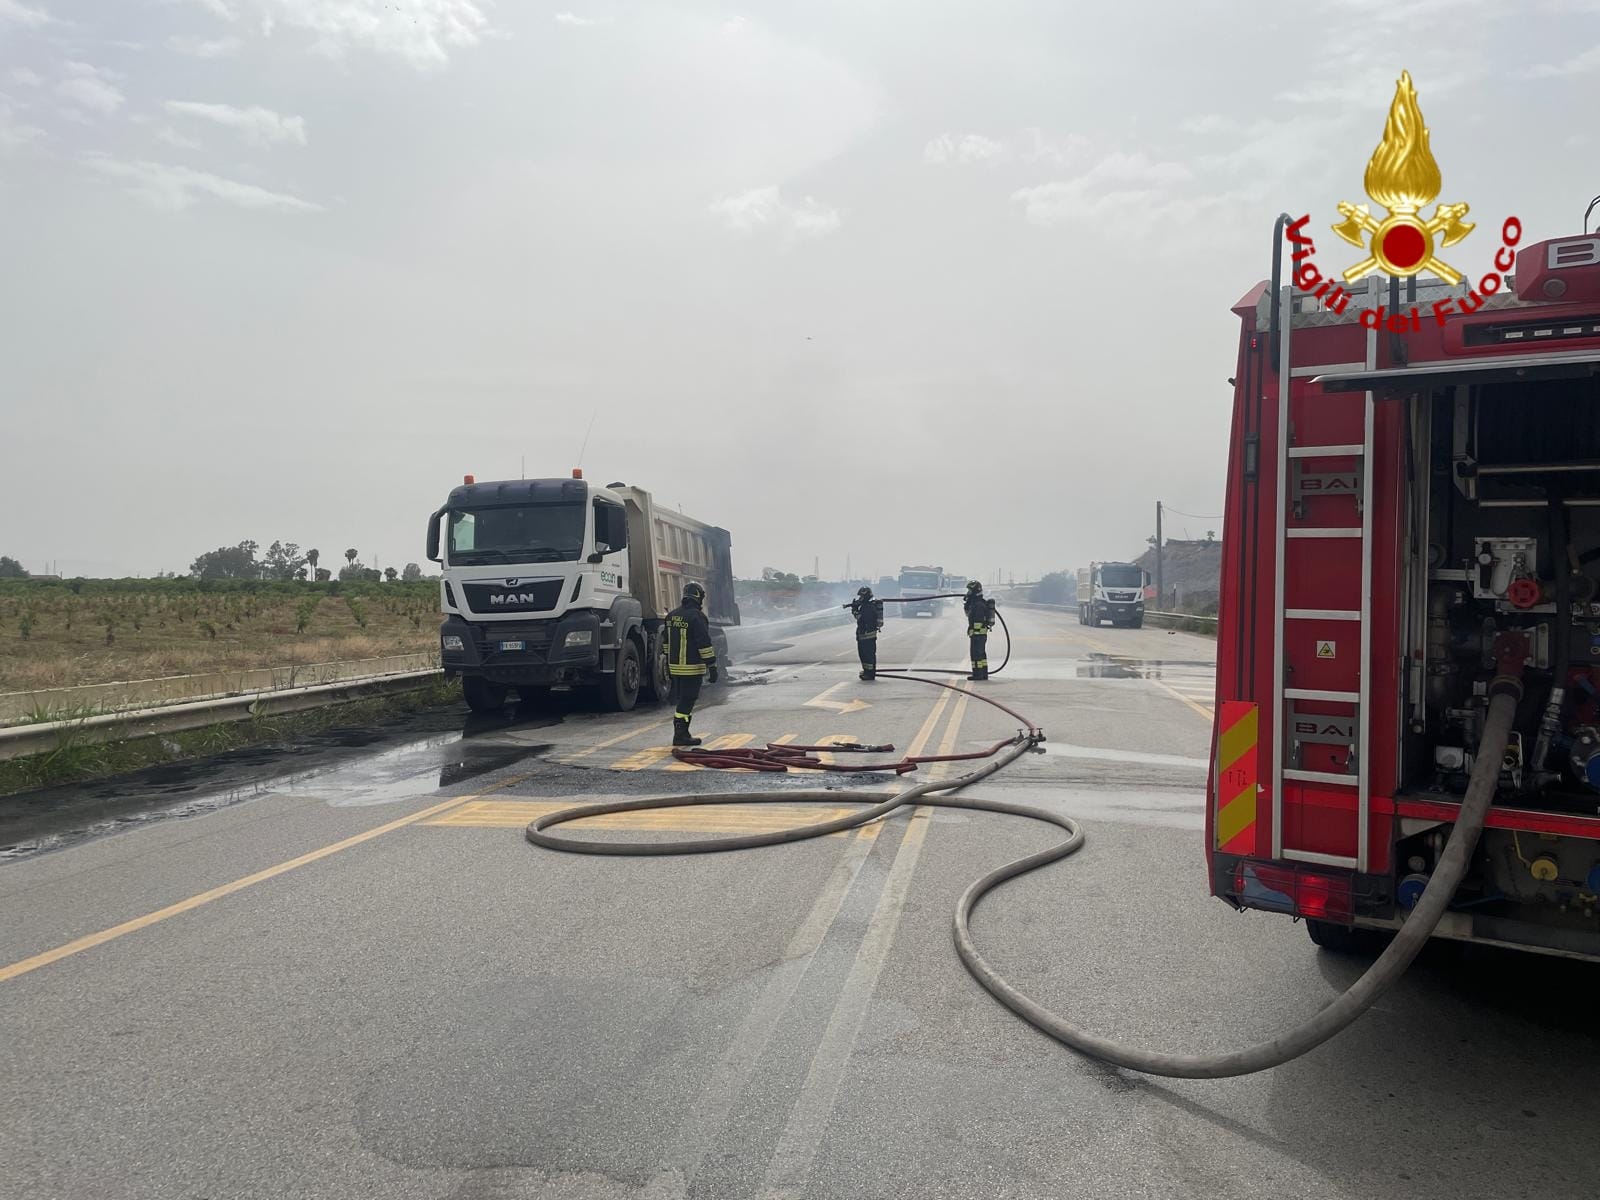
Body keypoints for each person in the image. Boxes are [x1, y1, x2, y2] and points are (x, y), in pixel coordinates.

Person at [666, 580, 718, 746]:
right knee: (687, 700)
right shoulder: (697, 617)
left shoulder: (671, 615)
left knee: (683, 699)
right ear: (698, 597)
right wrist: (712, 665)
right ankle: (680, 735)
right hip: (691, 668)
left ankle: (682, 733)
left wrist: (668, 665)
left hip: (674, 667)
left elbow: (666, 644)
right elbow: (703, 642)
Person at [848, 585, 884, 681]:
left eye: (861, 596)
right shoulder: (868, 605)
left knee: (867, 655)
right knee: (865, 655)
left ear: (866, 596)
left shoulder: (868, 607)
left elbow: (860, 618)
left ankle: (869, 674)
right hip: (866, 635)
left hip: (866, 635)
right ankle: (867, 672)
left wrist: (854, 610)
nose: (860, 598)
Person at [963, 579, 996, 681]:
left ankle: (978, 674)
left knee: (976, 656)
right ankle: (983, 674)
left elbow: (977, 621)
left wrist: (973, 631)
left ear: (975, 591)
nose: (968, 592)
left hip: (978, 635)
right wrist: (967, 603)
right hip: (980, 635)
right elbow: (968, 614)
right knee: (981, 655)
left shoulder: (978, 605)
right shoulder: (978, 603)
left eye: (970, 590)